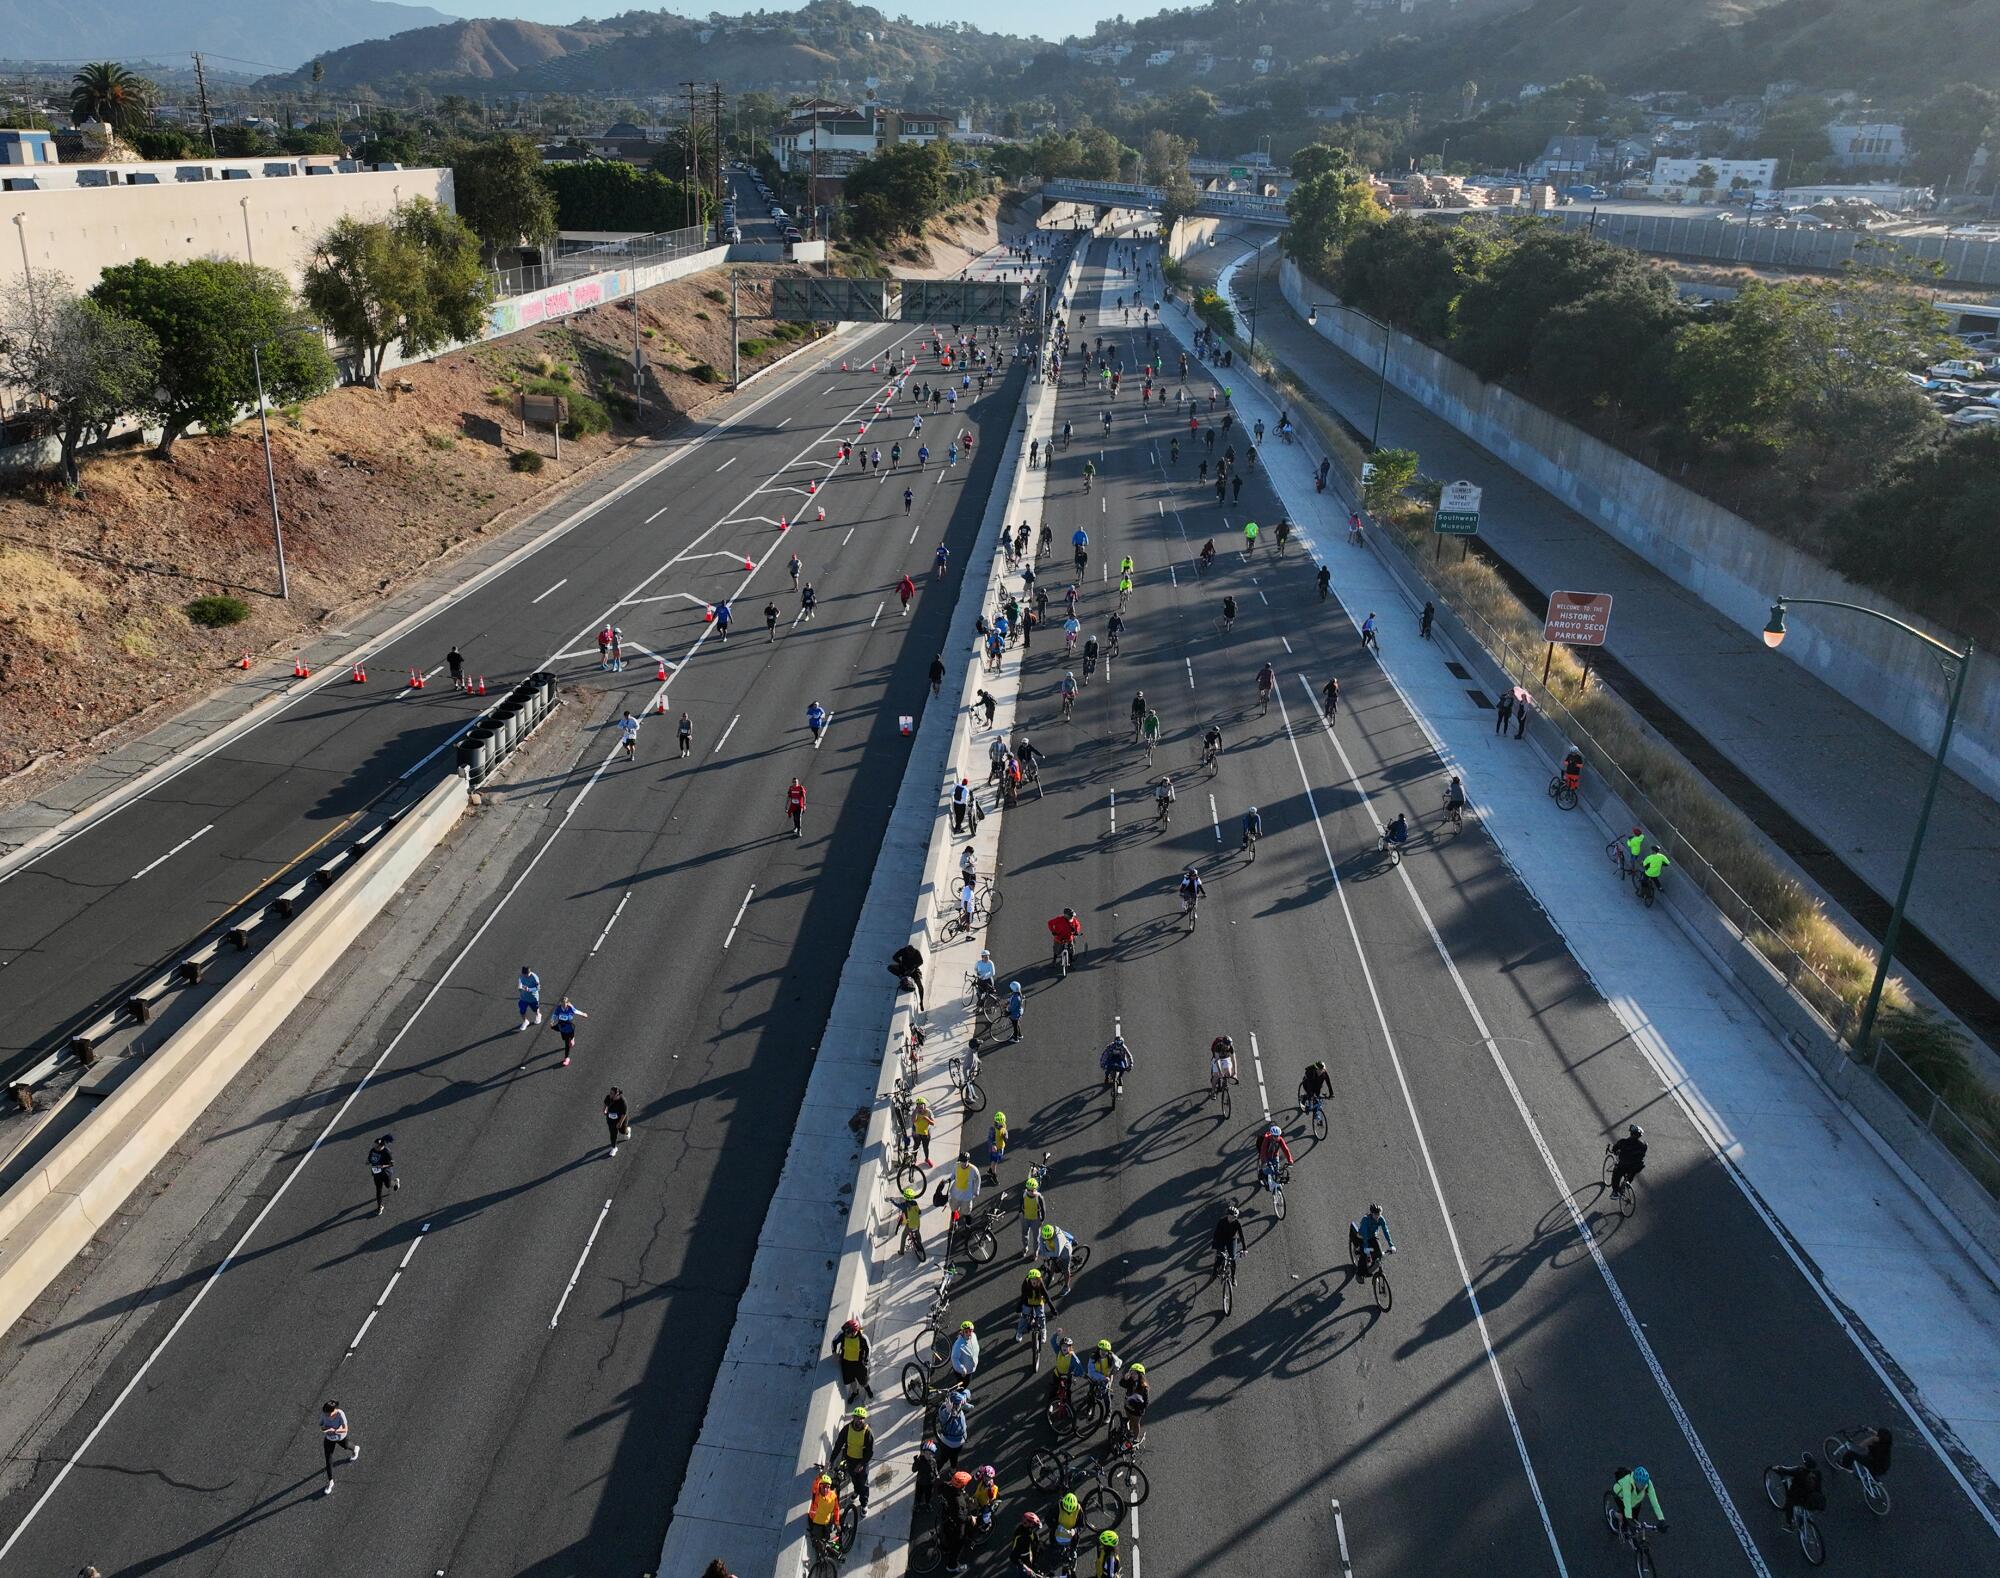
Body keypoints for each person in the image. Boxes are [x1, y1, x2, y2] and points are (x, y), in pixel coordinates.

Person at [1608, 1466, 1666, 1538]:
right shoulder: (1627, 1482)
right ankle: (1613, 1514)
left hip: (1636, 1501)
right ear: (1635, 1480)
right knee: (1626, 1517)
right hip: (1621, 1497)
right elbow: (1627, 1502)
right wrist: (1628, 1519)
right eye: (1639, 1484)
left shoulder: (1648, 1483)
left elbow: (1655, 1502)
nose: (1642, 1486)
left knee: (1634, 1519)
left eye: (1643, 1484)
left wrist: (1661, 1519)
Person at [837, 1407, 876, 1512]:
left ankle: (864, 1504)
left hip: (862, 1463)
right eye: (857, 1418)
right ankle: (856, 1491)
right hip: (850, 1461)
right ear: (853, 1417)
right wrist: (831, 1461)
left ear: (864, 1419)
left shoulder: (868, 1433)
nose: (859, 1420)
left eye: (861, 1418)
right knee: (854, 1479)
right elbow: (839, 1444)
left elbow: (870, 1452)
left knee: (863, 1483)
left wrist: (862, 1464)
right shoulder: (847, 1429)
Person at [320, 1400, 360, 1494]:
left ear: (334, 1410)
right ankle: (330, 1481)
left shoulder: (340, 1414)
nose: (326, 1415)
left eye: (328, 1413)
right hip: (329, 1438)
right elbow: (321, 1426)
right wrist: (326, 1430)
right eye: (325, 1413)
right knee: (328, 1459)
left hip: (340, 1437)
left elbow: (345, 1428)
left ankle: (355, 1448)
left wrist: (335, 1431)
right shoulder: (324, 1414)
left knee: (346, 1446)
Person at [1349, 1204, 1396, 1275]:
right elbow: (1364, 1235)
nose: (1377, 1216)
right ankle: (1359, 1274)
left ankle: (1371, 1264)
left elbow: (1385, 1231)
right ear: (1371, 1214)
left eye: (1379, 1214)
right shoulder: (1366, 1220)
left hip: (1373, 1236)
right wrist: (1365, 1248)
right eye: (1376, 1214)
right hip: (1363, 1237)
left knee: (1379, 1254)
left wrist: (1391, 1245)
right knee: (1364, 1254)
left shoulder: (1381, 1219)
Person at [1016, 1265, 1057, 1341]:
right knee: (1024, 1317)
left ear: (1039, 1280)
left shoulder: (1041, 1284)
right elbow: (1022, 1298)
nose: (1034, 1281)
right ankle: (1019, 1332)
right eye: (1032, 1279)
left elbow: (1047, 1297)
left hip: (1038, 1301)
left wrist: (1053, 1311)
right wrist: (1019, 1309)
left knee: (1041, 1317)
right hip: (1028, 1302)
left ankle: (1043, 1330)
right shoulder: (1025, 1285)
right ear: (1029, 1279)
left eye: (1036, 1279)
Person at [807, 1464, 843, 1548]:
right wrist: (823, 1473)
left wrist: (837, 1523)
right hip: (815, 1522)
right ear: (820, 1486)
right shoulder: (816, 1493)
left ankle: (838, 1549)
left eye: (828, 1487)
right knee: (817, 1541)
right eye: (823, 1486)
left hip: (826, 1522)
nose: (826, 1488)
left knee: (830, 1540)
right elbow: (816, 1482)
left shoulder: (833, 1496)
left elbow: (836, 1509)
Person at [1608, 1123, 1647, 1197]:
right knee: (1631, 1173)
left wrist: (1613, 1150)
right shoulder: (1644, 1145)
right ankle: (1627, 1183)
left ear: (1631, 1133)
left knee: (1616, 1175)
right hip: (1637, 1166)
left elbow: (1614, 1149)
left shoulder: (1623, 1142)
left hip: (1624, 1165)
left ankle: (1615, 1192)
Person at [551, 996, 588, 1067]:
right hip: (562, 1027)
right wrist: (552, 1021)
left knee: (567, 1044)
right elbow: (555, 1015)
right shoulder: (558, 1008)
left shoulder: (570, 1008)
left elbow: (576, 1011)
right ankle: (572, 1039)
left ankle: (566, 1058)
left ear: (567, 1003)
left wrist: (583, 1014)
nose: (564, 1005)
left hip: (569, 1026)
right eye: (563, 1003)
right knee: (565, 1039)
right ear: (560, 1003)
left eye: (565, 1003)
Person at [366, 1134, 398, 1216]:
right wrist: (368, 1161)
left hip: (385, 1173)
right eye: (375, 1145)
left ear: (382, 1146)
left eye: (377, 1146)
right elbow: (370, 1158)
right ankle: (380, 1206)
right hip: (376, 1174)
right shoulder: (373, 1150)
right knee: (378, 1190)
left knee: (388, 1185)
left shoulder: (386, 1152)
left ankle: (395, 1182)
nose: (375, 1147)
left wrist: (383, 1166)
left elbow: (392, 1164)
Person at [1257, 1123, 1293, 1193]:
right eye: (1275, 1136)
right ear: (1271, 1135)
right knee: (1271, 1169)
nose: (1276, 1137)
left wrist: (1290, 1160)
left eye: (1277, 1136)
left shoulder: (1280, 1139)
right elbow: (1263, 1150)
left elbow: (1286, 1149)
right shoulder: (1267, 1139)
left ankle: (1274, 1184)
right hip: (1267, 1156)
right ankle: (1262, 1172)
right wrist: (1264, 1161)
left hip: (1275, 1155)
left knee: (1277, 1171)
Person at [604, 1086, 629, 1156]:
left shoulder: (622, 1102)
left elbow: (624, 1114)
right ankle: (614, 1148)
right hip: (610, 1120)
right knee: (613, 1134)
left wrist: (620, 1123)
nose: (610, 1095)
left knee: (622, 1131)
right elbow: (605, 1103)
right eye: (610, 1093)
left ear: (617, 1094)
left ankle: (627, 1131)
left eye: (612, 1093)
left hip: (621, 1119)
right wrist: (604, 1109)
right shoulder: (608, 1097)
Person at [517, 966, 542, 1031]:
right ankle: (526, 1021)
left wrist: (529, 989)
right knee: (522, 1010)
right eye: (524, 975)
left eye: (527, 975)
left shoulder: (535, 977)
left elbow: (538, 988)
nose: (526, 976)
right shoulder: (521, 976)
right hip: (523, 998)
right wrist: (519, 988)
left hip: (533, 998)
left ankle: (538, 1015)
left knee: (535, 1010)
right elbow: (520, 982)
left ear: (530, 972)